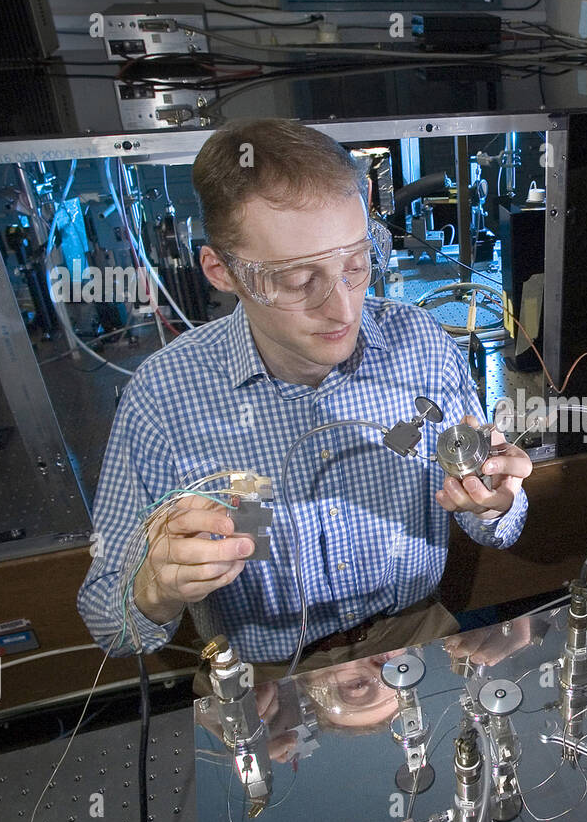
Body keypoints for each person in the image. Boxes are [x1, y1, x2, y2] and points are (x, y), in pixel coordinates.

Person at [78, 119, 531, 679]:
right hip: (266, 676)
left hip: (412, 638)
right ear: (222, 270)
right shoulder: (164, 396)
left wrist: (497, 504)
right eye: (297, 281)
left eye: (356, 265)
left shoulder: (422, 346)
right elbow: (108, 622)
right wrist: (156, 589)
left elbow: (500, 522)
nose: (343, 309)